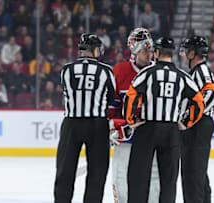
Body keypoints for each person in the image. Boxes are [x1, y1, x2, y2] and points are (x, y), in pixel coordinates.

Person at [124, 37, 205, 203]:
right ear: (172, 54)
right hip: (171, 131)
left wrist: (131, 120)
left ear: (157, 53)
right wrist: (187, 122)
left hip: (147, 128)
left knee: (138, 176)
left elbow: (131, 97)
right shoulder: (182, 77)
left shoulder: (146, 73)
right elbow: (199, 101)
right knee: (168, 181)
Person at [54, 34, 116, 203]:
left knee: (65, 172)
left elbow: (66, 91)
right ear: (96, 50)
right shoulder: (106, 71)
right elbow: (111, 98)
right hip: (97, 124)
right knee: (97, 173)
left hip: (71, 124)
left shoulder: (66, 69)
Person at [108, 27, 160, 203]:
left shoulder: (160, 72)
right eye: (144, 49)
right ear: (134, 50)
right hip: (127, 136)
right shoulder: (120, 71)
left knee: (154, 177)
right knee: (121, 175)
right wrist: (115, 126)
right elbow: (111, 108)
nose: (149, 53)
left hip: (152, 136)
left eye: (150, 49)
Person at [179, 36, 214, 203]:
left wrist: (189, 120)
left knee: (193, 173)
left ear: (192, 53)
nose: (182, 54)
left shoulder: (201, 71)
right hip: (197, 125)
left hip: (198, 126)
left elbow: (212, 94)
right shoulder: (196, 72)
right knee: (195, 172)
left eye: (185, 51)